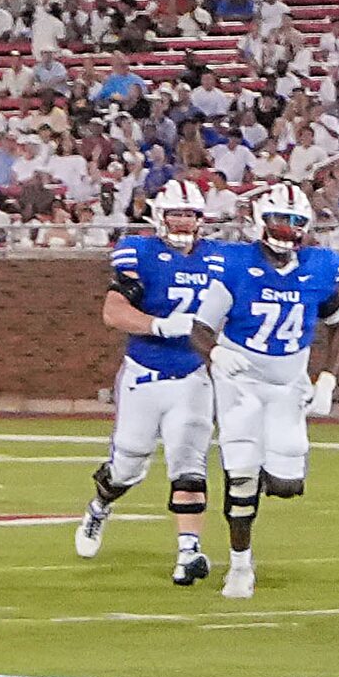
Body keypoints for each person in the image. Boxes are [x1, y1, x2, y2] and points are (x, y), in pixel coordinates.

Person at [77, 179, 228, 585]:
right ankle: (99, 507)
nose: (182, 221)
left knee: (190, 466)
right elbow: (113, 311)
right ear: (160, 216)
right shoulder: (140, 252)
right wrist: (160, 325)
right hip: (143, 375)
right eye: (175, 213)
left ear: (201, 219)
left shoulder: (219, 258)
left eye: (189, 214)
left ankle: (188, 553)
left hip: (193, 377)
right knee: (126, 466)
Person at [198, 183, 339, 598]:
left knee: (286, 485)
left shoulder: (319, 267)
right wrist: (216, 354)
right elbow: (200, 329)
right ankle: (240, 566)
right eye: (280, 219)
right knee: (241, 475)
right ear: (262, 221)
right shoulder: (235, 265)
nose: (287, 228)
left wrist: (327, 378)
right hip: (240, 379)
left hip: (288, 383)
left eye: (296, 221)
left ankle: (252, 467)